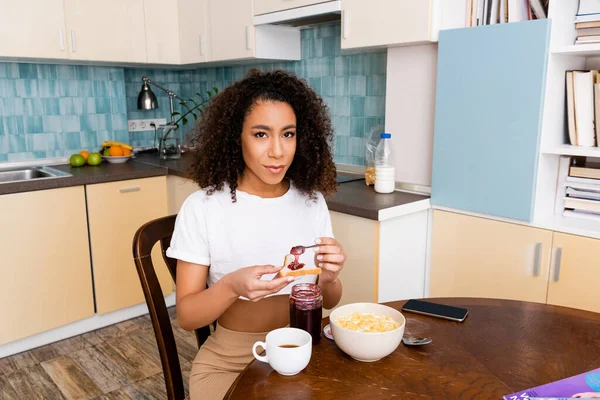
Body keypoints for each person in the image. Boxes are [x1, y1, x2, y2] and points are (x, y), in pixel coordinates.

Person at [166, 69, 346, 400]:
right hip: (230, 360)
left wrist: (331, 278)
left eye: (288, 134)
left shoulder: (312, 201)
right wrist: (232, 286)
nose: (278, 151)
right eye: (261, 134)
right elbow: (188, 317)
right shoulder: (203, 208)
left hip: (306, 349)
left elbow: (330, 301)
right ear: (237, 137)